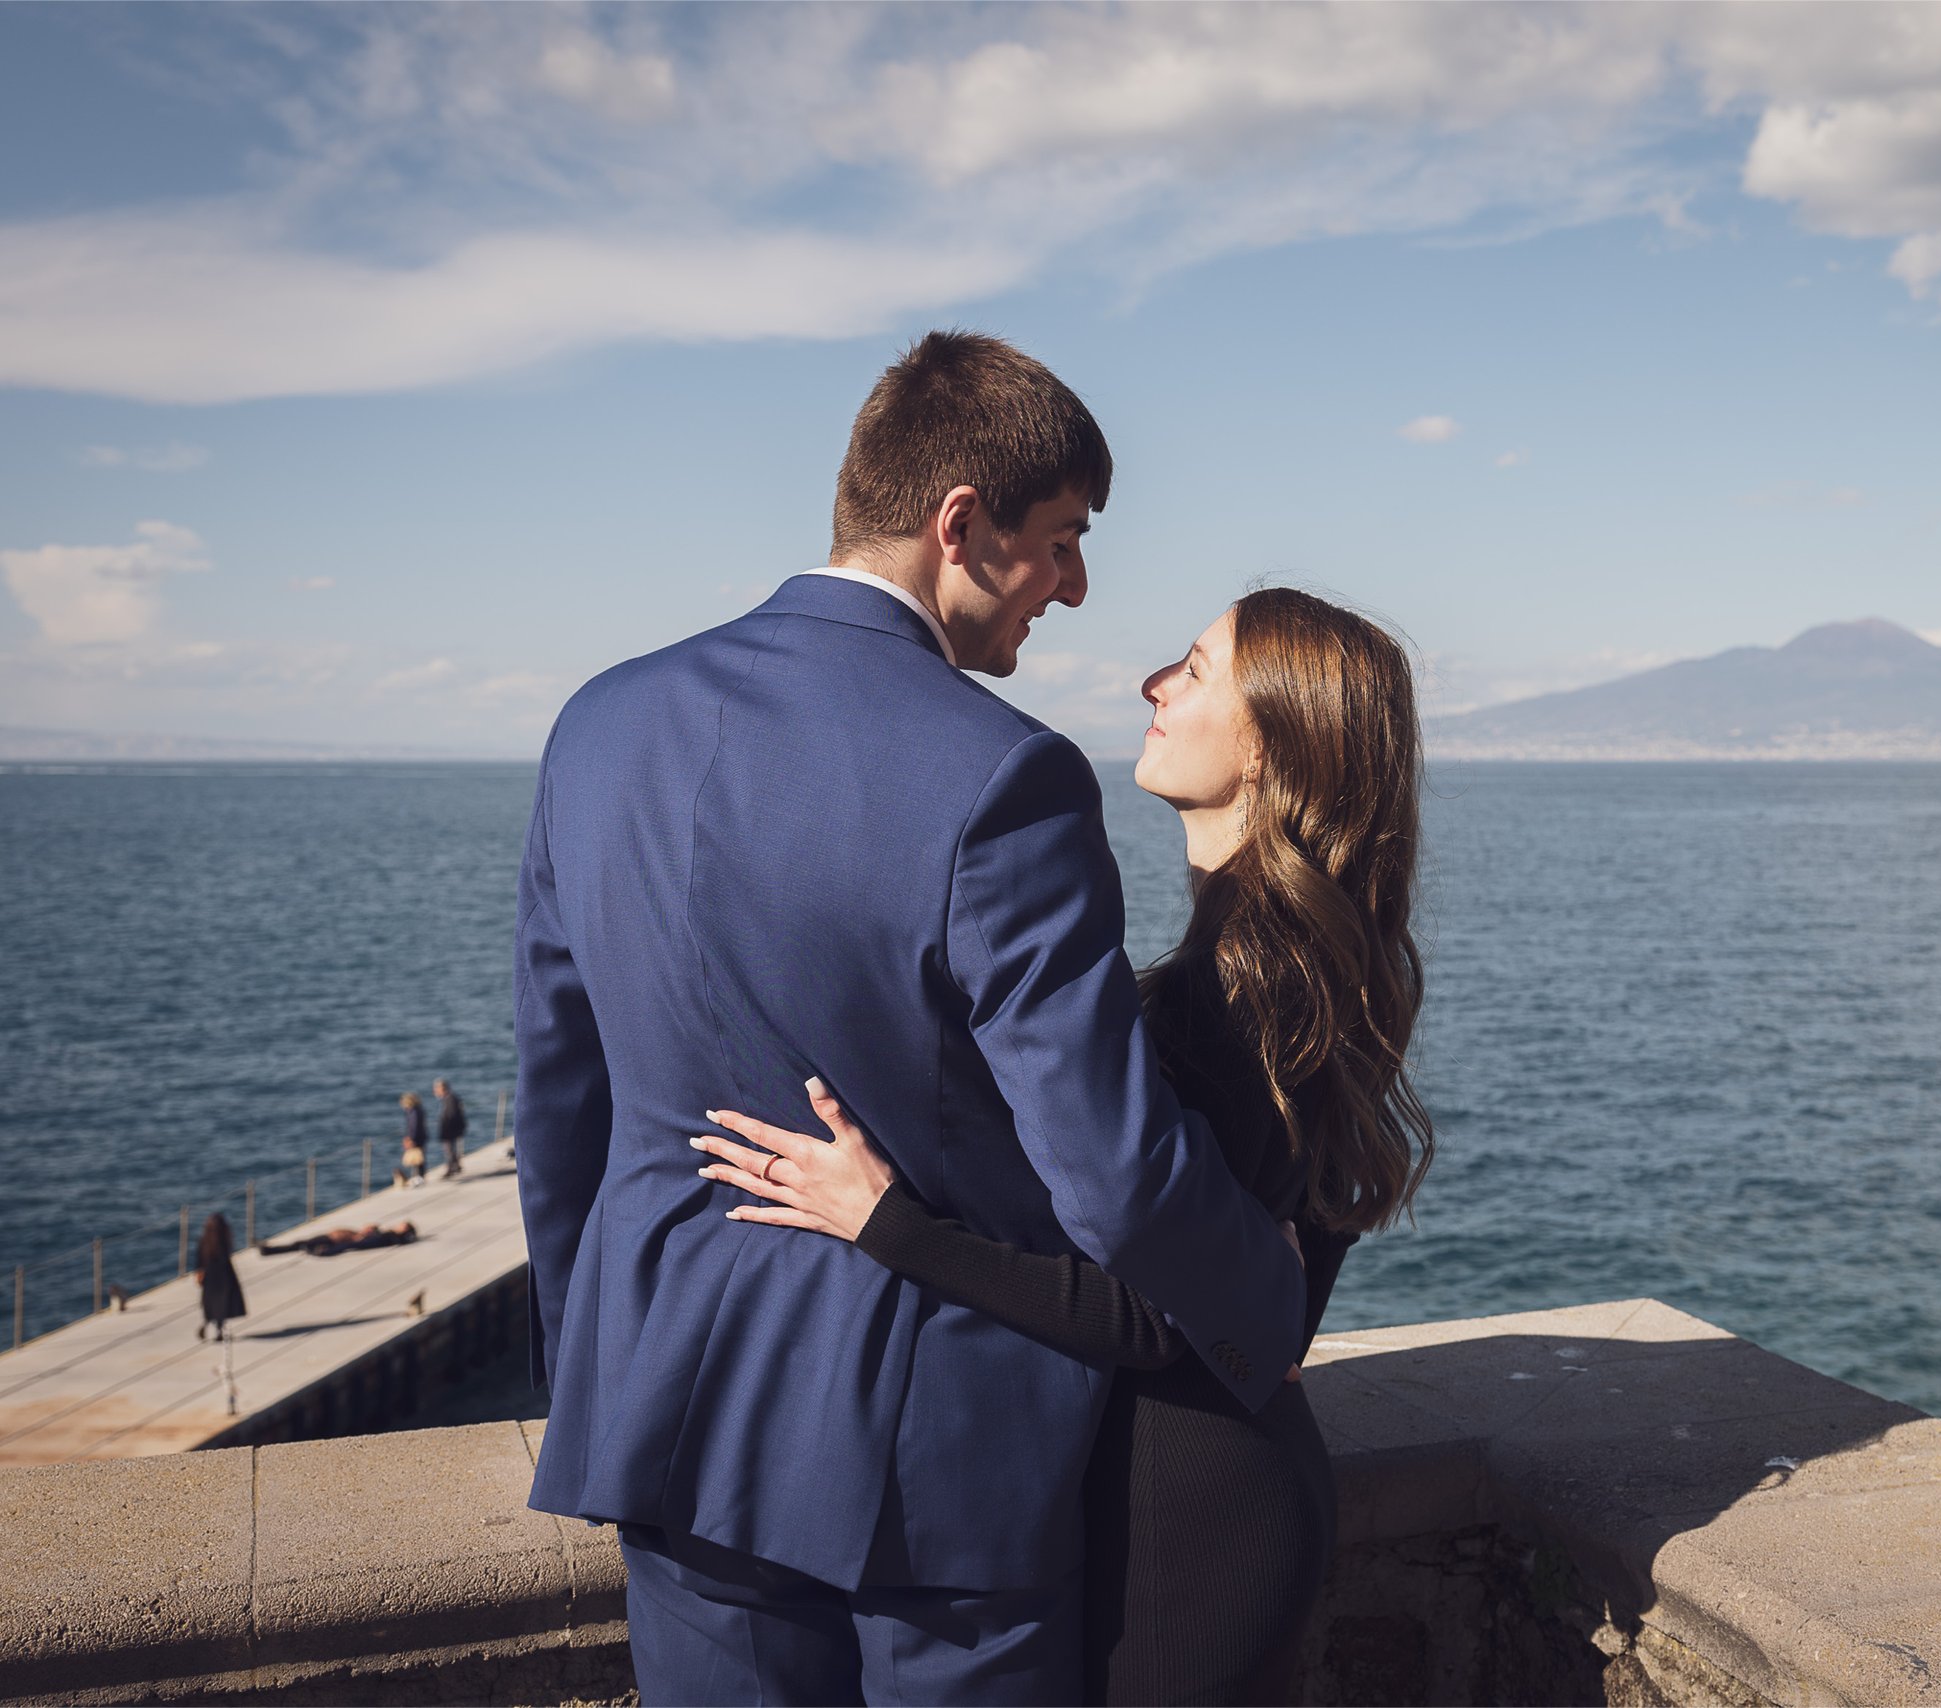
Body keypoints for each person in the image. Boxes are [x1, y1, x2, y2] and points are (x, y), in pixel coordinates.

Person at [514, 331, 1307, 1707]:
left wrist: (597, 1360)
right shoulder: (1004, 779)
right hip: (937, 1470)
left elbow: (559, 1108)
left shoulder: (598, 726)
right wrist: (1266, 1299)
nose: (1073, 584)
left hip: (668, 1421)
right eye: (1061, 539)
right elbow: (1114, 1179)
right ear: (961, 526)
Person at [696, 588, 1433, 1703]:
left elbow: (1146, 1314)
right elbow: (1312, 1202)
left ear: (1270, 744)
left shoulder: (1225, 989)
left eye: (1191, 670)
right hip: (1235, 1479)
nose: (1153, 684)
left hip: (1182, 1516)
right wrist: (1279, 1300)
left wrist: (885, 1222)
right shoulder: (1303, 965)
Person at [194, 1211, 247, 1341]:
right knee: (222, 1306)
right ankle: (218, 1331)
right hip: (224, 1278)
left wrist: (200, 1274)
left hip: (210, 1278)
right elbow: (225, 1260)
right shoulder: (223, 1241)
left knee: (210, 1305)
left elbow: (199, 1260)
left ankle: (207, 1324)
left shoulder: (204, 1241)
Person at [257, 1220, 417, 1257]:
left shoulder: (389, 1236)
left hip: (334, 1240)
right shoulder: (384, 1233)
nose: (399, 1224)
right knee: (300, 1244)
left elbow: (354, 1245)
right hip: (334, 1238)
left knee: (300, 1244)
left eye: (403, 1225)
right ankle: (269, 1250)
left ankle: (269, 1251)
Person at [434, 1078, 467, 1178]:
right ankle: (455, 1166)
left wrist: (447, 1127)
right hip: (451, 1129)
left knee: (449, 1150)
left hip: (450, 1130)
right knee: (450, 1149)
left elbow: (452, 1116)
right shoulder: (450, 1098)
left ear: (442, 1089)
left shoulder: (450, 1099)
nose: (435, 1091)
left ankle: (451, 1168)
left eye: (436, 1089)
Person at [398, 1092, 428, 1183]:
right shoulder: (416, 1110)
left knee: (418, 1159)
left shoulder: (414, 1112)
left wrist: (411, 1139)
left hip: (417, 1138)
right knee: (418, 1158)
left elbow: (414, 1127)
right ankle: (419, 1176)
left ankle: (419, 1177)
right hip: (420, 1137)